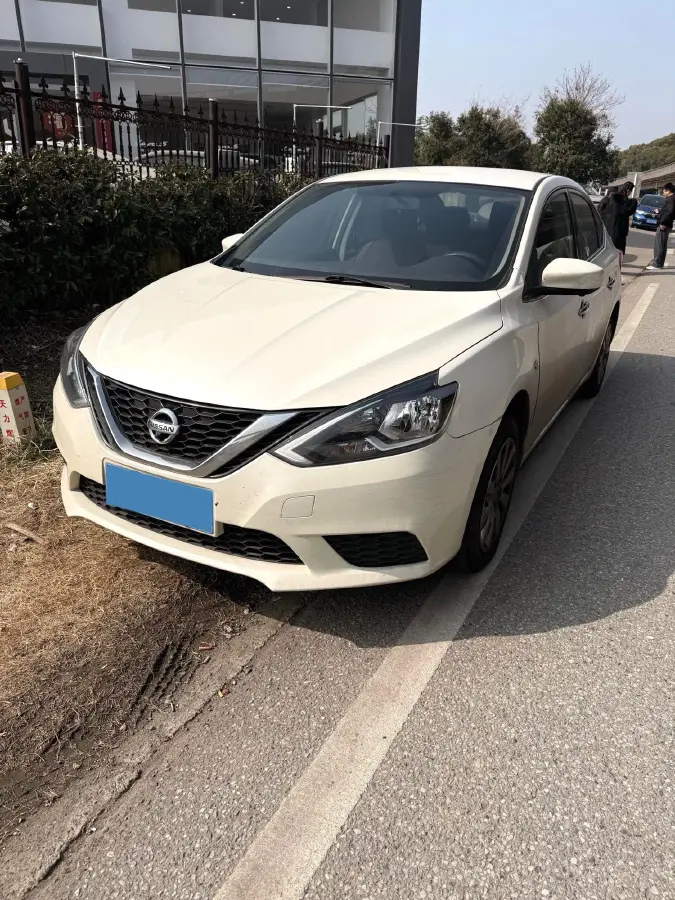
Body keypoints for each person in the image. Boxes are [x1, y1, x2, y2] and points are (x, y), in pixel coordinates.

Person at [598, 182, 637, 261]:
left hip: (607, 229)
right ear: (628, 190)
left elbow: (600, 209)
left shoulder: (607, 200)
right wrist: (633, 201)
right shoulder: (623, 202)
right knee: (617, 253)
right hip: (618, 231)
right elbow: (629, 210)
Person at [647, 183, 675, 270]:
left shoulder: (671, 200)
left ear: (668, 191)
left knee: (659, 244)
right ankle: (659, 263)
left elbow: (669, 212)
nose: (663, 192)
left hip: (664, 224)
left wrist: (662, 222)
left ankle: (657, 263)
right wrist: (659, 212)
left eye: (664, 191)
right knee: (661, 244)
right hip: (666, 223)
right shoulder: (671, 199)